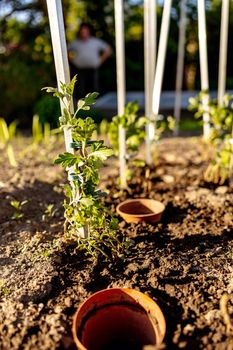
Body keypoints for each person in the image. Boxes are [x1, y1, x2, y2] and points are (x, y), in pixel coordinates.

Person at [68, 23, 112, 97]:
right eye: (82, 31)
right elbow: (67, 50)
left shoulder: (95, 41)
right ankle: (81, 104)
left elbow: (108, 49)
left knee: (94, 88)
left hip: (93, 68)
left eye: (85, 31)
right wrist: (73, 60)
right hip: (80, 69)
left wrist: (100, 60)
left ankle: (95, 106)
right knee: (80, 88)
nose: (84, 33)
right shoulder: (76, 42)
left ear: (89, 31)